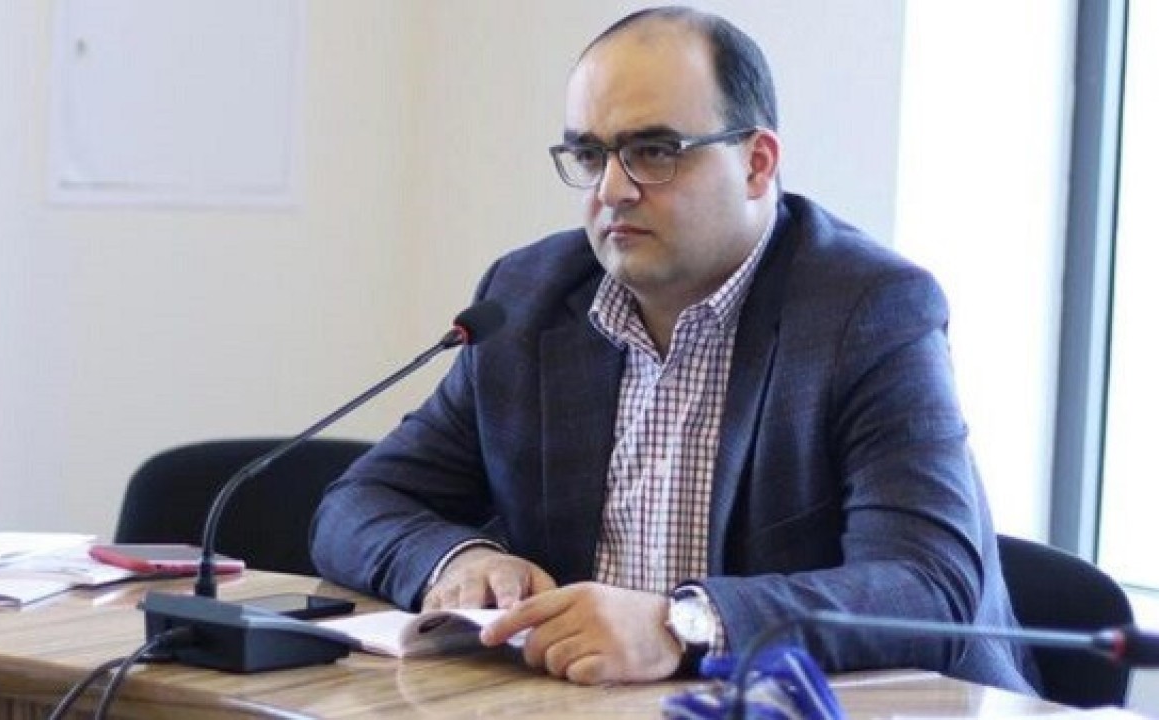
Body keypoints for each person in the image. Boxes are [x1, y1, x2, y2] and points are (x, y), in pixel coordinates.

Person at [311, 6, 1037, 692]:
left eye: (654, 152)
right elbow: (360, 504)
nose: (613, 189)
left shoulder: (868, 309)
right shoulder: (529, 300)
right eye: (590, 154)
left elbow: (925, 589)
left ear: (757, 164)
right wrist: (456, 560)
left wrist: (681, 626)